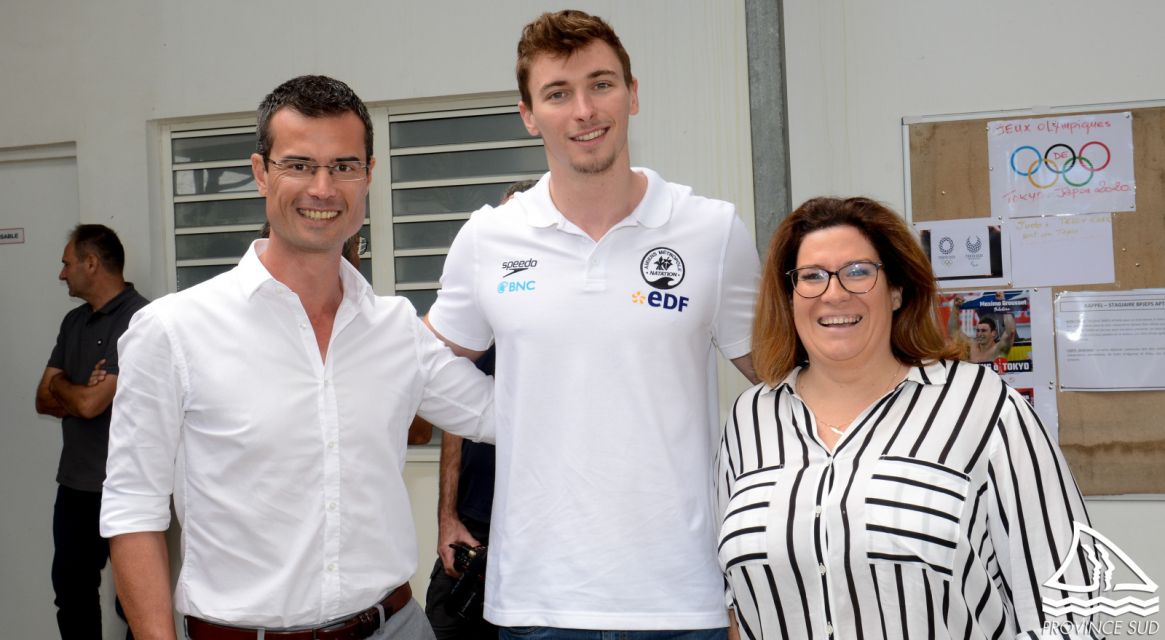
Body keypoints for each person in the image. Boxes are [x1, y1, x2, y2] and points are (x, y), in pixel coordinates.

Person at [100, 75, 495, 640]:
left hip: (395, 626)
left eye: (343, 166)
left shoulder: (395, 329)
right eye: (299, 165)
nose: (323, 188)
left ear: (368, 174)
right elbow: (133, 510)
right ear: (261, 172)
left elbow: (502, 415)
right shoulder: (172, 331)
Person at [425, 10, 760, 638]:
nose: (584, 110)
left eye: (601, 85)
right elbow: (426, 364)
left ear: (632, 94)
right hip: (538, 604)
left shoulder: (712, 231)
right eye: (558, 93)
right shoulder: (489, 237)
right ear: (529, 114)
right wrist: (502, 416)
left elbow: (778, 374)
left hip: (683, 601)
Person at [719, 196, 1097, 638]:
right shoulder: (750, 418)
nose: (834, 293)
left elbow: (1069, 602)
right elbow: (736, 606)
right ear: (789, 297)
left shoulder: (982, 406)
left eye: (858, 272)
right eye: (812, 276)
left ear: (896, 290)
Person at [424, 179, 535, 640]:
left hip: (539, 526)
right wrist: (447, 517)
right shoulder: (479, 310)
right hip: (476, 522)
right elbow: (454, 422)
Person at [35, 224, 148, 640]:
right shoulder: (73, 322)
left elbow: (87, 405)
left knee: (136, 602)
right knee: (72, 594)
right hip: (75, 485)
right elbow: (43, 399)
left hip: (128, 487)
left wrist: (65, 385)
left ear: (92, 263)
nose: (62, 273)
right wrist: (78, 387)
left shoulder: (141, 320)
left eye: (67, 264)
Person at [946, 293, 1017, 364]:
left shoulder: (999, 349)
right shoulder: (971, 346)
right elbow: (953, 332)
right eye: (978, 330)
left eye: (983, 331)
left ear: (993, 333)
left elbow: (1010, 331)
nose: (980, 334)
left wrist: (1003, 302)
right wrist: (955, 307)